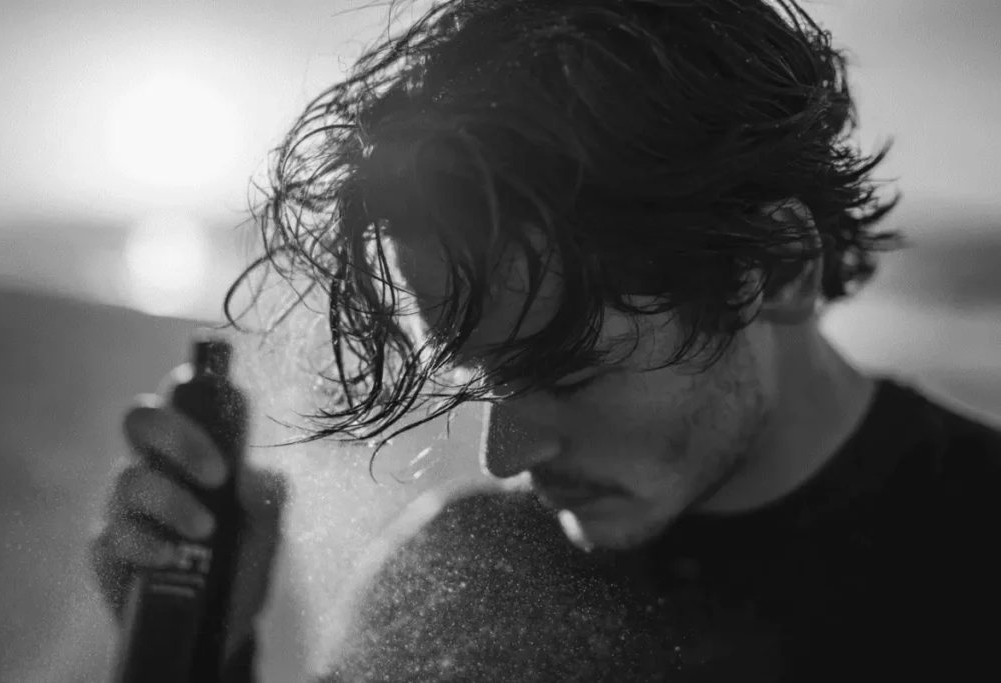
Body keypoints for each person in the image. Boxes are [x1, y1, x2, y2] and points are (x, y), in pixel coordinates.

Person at [88, 0, 1001, 681]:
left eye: (565, 368)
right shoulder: (465, 570)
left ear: (778, 265)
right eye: (480, 371)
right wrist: (206, 648)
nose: (506, 454)